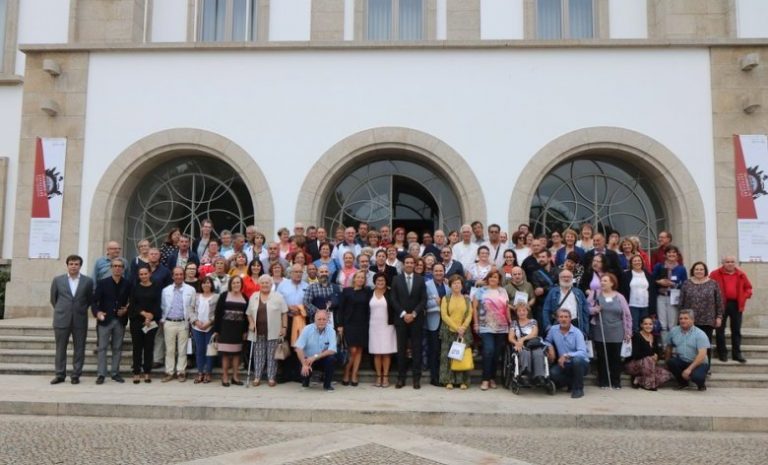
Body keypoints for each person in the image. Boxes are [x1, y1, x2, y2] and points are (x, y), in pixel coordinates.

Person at [50, 255, 94, 385]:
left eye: (76, 264)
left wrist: (79, 309)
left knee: (79, 348)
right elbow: (53, 299)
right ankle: (60, 374)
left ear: (80, 266)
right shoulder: (58, 280)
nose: (73, 266)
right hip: (62, 318)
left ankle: (76, 375)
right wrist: (63, 309)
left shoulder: (88, 281)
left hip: (80, 319)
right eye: (71, 264)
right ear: (67, 265)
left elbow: (89, 299)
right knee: (60, 348)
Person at [588, 273, 632, 389]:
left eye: (605, 281)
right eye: (601, 281)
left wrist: (628, 332)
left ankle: (616, 381)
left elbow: (627, 315)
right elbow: (586, 308)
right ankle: (603, 381)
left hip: (617, 331)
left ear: (612, 283)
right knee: (602, 357)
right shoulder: (595, 294)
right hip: (600, 330)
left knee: (615, 358)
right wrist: (594, 310)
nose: (602, 283)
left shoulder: (620, 297)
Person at [390, 256, 428, 389]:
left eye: (412, 263)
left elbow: (423, 299)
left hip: (416, 319)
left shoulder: (420, 279)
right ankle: (401, 378)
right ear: (403, 264)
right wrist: (403, 314)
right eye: (407, 262)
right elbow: (393, 299)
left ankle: (416, 379)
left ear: (414, 265)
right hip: (401, 319)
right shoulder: (396, 279)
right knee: (401, 349)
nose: (409, 265)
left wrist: (414, 314)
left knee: (417, 349)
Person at [93, 258, 131, 385]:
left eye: (120, 266)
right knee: (102, 348)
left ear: (123, 269)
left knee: (117, 348)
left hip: (120, 320)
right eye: (115, 266)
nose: (117, 268)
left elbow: (132, 300)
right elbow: (94, 301)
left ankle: (115, 373)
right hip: (105, 320)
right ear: (111, 268)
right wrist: (98, 313)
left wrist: (126, 309)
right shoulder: (103, 283)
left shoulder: (127, 283)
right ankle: (101, 374)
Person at [246, 275, 288, 387]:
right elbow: (249, 313)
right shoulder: (254, 296)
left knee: (272, 356)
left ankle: (271, 378)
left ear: (271, 284)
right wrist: (251, 323)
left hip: (274, 331)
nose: (265, 285)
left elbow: (284, 313)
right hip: (257, 331)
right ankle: (257, 377)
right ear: (259, 284)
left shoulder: (278, 296)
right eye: (262, 283)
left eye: (267, 283)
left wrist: (284, 327)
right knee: (258, 355)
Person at [710, 255, 753, 363]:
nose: (730, 264)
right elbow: (709, 287)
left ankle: (736, 354)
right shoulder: (715, 274)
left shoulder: (741, 274)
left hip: (736, 304)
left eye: (732, 261)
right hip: (720, 304)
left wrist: (744, 296)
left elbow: (748, 288)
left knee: (736, 330)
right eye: (727, 262)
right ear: (723, 263)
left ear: (735, 263)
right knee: (720, 329)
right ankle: (722, 353)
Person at [472, 270, 510, 391]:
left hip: (501, 326)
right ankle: (485, 379)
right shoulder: (480, 291)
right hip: (485, 325)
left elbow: (507, 307)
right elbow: (474, 308)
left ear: (499, 280)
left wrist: (510, 322)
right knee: (488, 351)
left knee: (496, 353)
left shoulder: (503, 291)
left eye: (496, 277)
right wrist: (476, 323)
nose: (493, 279)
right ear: (487, 278)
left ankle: (492, 378)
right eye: (491, 277)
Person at [679, 261, 723, 364]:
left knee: (705, 344)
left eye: (701, 269)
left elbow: (719, 301)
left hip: (707, 319)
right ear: (693, 271)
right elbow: (681, 301)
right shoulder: (686, 283)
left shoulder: (713, 283)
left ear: (705, 271)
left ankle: (705, 366)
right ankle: (691, 365)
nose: (699, 271)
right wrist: (681, 318)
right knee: (690, 345)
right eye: (696, 269)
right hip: (690, 320)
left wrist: (719, 317)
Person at [160, 267, 197, 383]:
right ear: (172, 276)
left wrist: (191, 321)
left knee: (182, 349)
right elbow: (163, 306)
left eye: (181, 274)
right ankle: (169, 372)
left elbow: (193, 307)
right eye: (176, 274)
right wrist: (163, 320)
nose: (179, 276)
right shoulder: (166, 290)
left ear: (184, 275)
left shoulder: (191, 290)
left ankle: (181, 372)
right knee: (169, 349)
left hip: (183, 323)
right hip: (169, 322)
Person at [545, 308, 589, 398]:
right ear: (557, 319)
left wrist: (567, 355)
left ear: (570, 319)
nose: (563, 319)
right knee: (552, 374)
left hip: (581, 364)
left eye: (566, 317)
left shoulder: (577, 332)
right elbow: (547, 341)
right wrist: (550, 347)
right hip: (564, 364)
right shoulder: (553, 329)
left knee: (577, 361)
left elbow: (582, 352)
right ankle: (571, 382)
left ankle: (578, 389)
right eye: (561, 317)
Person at [213, 275, 248, 386]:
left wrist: (245, 331)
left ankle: (235, 377)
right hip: (225, 329)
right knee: (226, 354)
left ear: (241, 284)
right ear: (230, 285)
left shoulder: (245, 297)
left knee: (237, 354)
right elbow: (218, 313)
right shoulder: (224, 295)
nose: (236, 285)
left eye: (238, 283)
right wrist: (217, 330)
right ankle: (225, 377)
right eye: (234, 283)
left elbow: (247, 316)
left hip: (239, 330)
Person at [338, 271, 371, 386]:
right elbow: (341, 309)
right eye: (358, 277)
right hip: (349, 324)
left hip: (363, 324)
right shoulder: (347, 291)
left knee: (359, 350)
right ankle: (346, 372)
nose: (360, 279)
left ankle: (354, 375)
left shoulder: (367, 292)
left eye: (362, 278)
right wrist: (340, 325)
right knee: (352, 351)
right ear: (354, 279)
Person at [128, 266, 161, 383]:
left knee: (148, 347)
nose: (143, 276)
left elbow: (158, 304)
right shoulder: (135, 288)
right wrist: (144, 314)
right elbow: (133, 304)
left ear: (150, 274)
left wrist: (150, 316)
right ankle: (136, 372)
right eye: (141, 274)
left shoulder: (156, 287)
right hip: (137, 321)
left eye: (145, 273)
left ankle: (147, 372)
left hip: (151, 321)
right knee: (137, 347)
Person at [439, 275, 473, 390]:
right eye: (454, 283)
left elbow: (469, 314)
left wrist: (463, 328)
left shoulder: (467, 299)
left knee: (461, 356)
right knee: (448, 357)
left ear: (462, 285)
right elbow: (444, 315)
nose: (456, 285)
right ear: (450, 286)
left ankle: (463, 381)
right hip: (448, 331)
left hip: (463, 332)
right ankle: (448, 381)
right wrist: (456, 327)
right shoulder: (446, 298)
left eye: (458, 283)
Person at [665, 309, 710, 391]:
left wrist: (689, 369)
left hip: (699, 363)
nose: (682, 321)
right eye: (681, 318)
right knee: (671, 362)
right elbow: (669, 346)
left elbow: (702, 355)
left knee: (697, 377)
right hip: (683, 360)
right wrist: (666, 361)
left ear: (692, 320)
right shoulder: (674, 331)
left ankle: (701, 384)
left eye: (686, 318)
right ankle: (683, 383)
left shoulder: (700, 334)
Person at [625, 316, 672, 390]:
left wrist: (656, 356)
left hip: (649, 366)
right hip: (634, 365)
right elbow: (636, 355)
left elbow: (657, 353)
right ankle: (649, 384)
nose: (648, 326)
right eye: (645, 324)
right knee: (648, 358)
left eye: (650, 324)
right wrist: (651, 354)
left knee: (667, 375)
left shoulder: (654, 337)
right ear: (641, 325)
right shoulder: (637, 336)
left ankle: (639, 380)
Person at [295, 309, 337, 391]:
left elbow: (332, 350)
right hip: (307, 360)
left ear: (327, 320)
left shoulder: (331, 331)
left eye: (324, 319)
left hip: (321, 359)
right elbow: (298, 348)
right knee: (304, 369)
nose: (321, 321)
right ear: (315, 320)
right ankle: (305, 381)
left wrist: (315, 357)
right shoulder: (307, 329)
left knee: (332, 359)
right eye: (319, 319)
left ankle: (327, 385)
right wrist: (304, 364)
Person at [368, 272, 397, 388]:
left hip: (387, 326)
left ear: (386, 282)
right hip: (373, 326)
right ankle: (378, 376)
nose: (380, 282)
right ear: (374, 282)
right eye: (378, 280)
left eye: (382, 281)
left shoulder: (390, 293)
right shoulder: (370, 293)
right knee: (377, 353)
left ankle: (385, 377)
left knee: (386, 352)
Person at [652, 245, 687, 339]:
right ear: (665, 255)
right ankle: (665, 346)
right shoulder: (659, 266)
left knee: (672, 324)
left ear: (677, 255)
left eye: (674, 252)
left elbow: (685, 284)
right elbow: (652, 280)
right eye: (669, 252)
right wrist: (659, 282)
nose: (671, 254)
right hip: (661, 297)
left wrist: (673, 284)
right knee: (662, 324)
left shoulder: (681, 268)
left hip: (673, 298)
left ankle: (673, 345)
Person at [189, 276, 218, 384]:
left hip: (210, 327)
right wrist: (196, 321)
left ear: (211, 284)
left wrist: (209, 322)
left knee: (210, 351)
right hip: (197, 328)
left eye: (208, 282)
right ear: (201, 285)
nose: (206, 285)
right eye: (204, 283)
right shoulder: (196, 296)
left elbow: (218, 312)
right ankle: (200, 372)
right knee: (199, 351)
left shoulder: (217, 297)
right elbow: (190, 310)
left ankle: (208, 373)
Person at [542, 269, 589, 335]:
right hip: (558, 323)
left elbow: (585, 312)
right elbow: (546, 310)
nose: (566, 279)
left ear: (572, 279)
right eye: (564, 277)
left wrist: (585, 330)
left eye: (568, 277)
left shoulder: (579, 292)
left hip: (575, 323)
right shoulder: (553, 292)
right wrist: (547, 326)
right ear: (559, 279)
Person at [424, 263, 449, 386]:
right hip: (433, 322)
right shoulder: (426, 285)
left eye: (441, 271)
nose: (439, 273)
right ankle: (434, 377)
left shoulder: (448, 286)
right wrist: (437, 303)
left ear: (444, 272)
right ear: (432, 272)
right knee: (434, 350)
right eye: (436, 271)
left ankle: (444, 376)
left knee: (443, 351)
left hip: (446, 323)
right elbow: (423, 302)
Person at [619, 254, 657, 332]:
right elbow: (623, 291)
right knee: (634, 327)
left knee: (645, 328)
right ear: (631, 263)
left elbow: (652, 292)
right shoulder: (626, 275)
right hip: (632, 305)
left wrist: (653, 309)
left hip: (645, 306)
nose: (637, 262)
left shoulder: (648, 275)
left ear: (642, 262)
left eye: (639, 261)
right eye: (635, 261)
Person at [508, 302, 541, 385]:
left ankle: (539, 376)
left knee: (539, 353)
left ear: (527, 311)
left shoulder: (533, 321)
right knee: (524, 352)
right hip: (521, 345)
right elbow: (510, 337)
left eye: (524, 310)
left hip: (532, 344)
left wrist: (522, 339)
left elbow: (534, 334)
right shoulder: (514, 323)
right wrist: (517, 343)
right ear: (516, 312)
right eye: (519, 311)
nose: (522, 312)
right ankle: (525, 374)